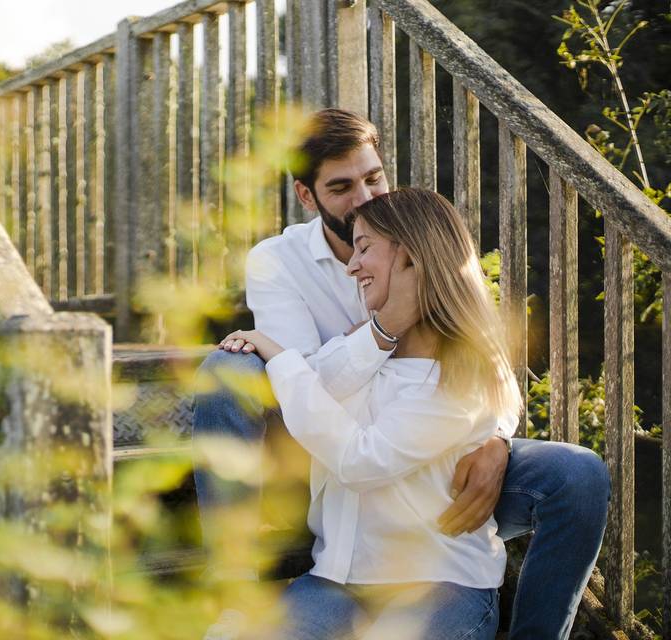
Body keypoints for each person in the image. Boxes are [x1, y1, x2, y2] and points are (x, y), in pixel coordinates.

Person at [193, 109, 610, 640]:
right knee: (226, 368)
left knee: (576, 474)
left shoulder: (419, 233)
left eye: (373, 177)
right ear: (306, 195)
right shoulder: (278, 261)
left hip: (424, 464)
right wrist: (386, 327)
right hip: (320, 457)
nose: (365, 197)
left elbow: (486, 357)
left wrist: (497, 438)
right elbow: (305, 386)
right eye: (341, 187)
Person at [228, 187, 518, 638]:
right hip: (335, 582)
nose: (351, 265)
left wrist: (278, 355)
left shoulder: (461, 379)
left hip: (441, 586)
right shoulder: (362, 351)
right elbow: (313, 387)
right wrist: (380, 330)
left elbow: (359, 462)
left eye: (364, 248)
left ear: (412, 259)